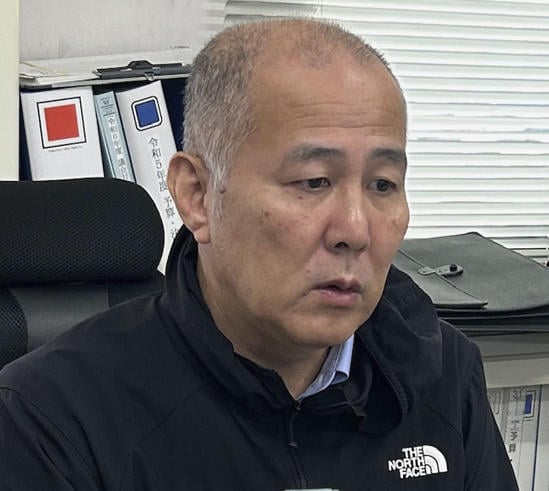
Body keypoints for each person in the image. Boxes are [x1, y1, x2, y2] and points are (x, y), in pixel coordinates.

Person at [0, 18, 518, 490]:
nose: (355, 230)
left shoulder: (443, 372)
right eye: (314, 181)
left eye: (382, 185)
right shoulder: (50, 417)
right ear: (197, 195)